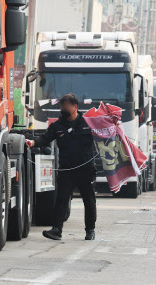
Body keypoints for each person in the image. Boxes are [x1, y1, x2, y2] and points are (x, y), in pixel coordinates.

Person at [27, 93, 97, 241]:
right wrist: (32, 143)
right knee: (62, 200)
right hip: (67, 170)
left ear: (75, 107)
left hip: (85, 169)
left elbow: (104, 132)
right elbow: (45, 138)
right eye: (62, 107)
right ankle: (56, 230)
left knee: (89, 201)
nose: (63, 110)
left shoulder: (88, 123)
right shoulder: (57, 126)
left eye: (66, 107)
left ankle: (90, 230)